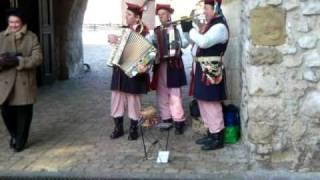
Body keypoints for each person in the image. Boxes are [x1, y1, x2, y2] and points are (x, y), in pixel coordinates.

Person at [181, 0, 229, 150]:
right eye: (204, 9)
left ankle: (217, 136)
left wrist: (192, 29)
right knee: (202, 101)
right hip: (201, 67)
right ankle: (210, 131)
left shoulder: (220, 27)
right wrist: (186, 30)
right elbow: (191, 42)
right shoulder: (208, 26)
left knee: (211, 102)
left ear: (215, 8)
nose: (204, 12)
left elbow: (204, 42)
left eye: (207, 8)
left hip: (211, 67)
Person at [0, 8, 43, 152]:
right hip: (5, 83)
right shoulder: (0, 37)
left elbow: (37, 59)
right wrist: (3, 62)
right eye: (11, 22)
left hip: (24, 81)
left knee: (23, 114)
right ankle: (14, 135)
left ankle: (20, 141)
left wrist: (19, 61)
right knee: (6, 113)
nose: (13, 25)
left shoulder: (31, 37)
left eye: (16, 22)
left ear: (22, 22)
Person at [108, 2, 149, 141]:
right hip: (119, 71)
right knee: (116, 99)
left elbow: (148, 54)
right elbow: (119, 49)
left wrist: (144, 65)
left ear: (137, 18)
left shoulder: (144, 33)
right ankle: (118, 128)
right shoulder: (124, 30)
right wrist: (113, 41)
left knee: (133, 100)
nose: (126, 16)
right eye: (126, 14)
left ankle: (133, 129)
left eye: (129, 14)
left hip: (134, 73)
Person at [147, 3, 189, 135]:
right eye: (159, 15)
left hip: (174, 64)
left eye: (163, 14)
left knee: (175, 94)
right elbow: (149, 45)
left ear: (169, 14)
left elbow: (185, 43)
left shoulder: (177, 29)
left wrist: (178, 41)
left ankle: (179, 121)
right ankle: (167, 118)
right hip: (160, 65)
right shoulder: (156, 31)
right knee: (162, 93)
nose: (161, 17)